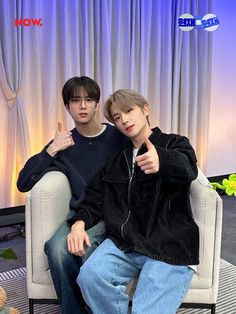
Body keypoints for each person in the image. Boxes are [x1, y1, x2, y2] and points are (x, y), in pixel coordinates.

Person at [67, 89, 199, 314]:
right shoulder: (117, 161)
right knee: (90, 278)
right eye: (117, 117)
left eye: (128, 111)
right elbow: (94, 197)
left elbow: (188, 167)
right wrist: (78, 224)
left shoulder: (174, 143)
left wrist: (162, 161)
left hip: (168, 244)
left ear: (145, 109)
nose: (124, 120)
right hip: (125, 243)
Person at [17, 76, 127, 314]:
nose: (83, 106)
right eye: (76, 101)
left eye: (89, 99)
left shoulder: (118, 138)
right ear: (67, 107)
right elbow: (23, 182)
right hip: (79, 215)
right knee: (56, 249)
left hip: (112, 214)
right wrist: (52, 149)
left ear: (97, 104)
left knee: (85, 250)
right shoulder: (65, 143)